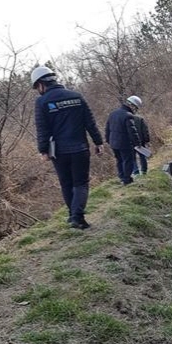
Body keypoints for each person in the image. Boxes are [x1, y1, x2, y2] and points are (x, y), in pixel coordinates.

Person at [32, 66, 104, 230]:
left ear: (42, 84)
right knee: (81, 183)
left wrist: (43, 151)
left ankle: (74, 216)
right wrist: (98, 142)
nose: (38, 91)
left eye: (37, 87)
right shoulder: (76, 96)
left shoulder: (42, 102)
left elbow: (42, 129)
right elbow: (90, 123)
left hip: (59, 151)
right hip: (80, 149)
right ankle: (76, 217)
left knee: (66, 184)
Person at [105, 95, 143, 185]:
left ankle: (122, 177)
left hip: (113, 143)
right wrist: (138, 143)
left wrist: (108, 140)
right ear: (132, 105)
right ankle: (127, 179)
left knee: (119, 160)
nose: (135, 109)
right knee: (127, 160)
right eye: (136, 107)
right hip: (124, 143)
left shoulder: (113, 113)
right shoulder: (128, 116)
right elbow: (132, 132)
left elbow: (107, 129)